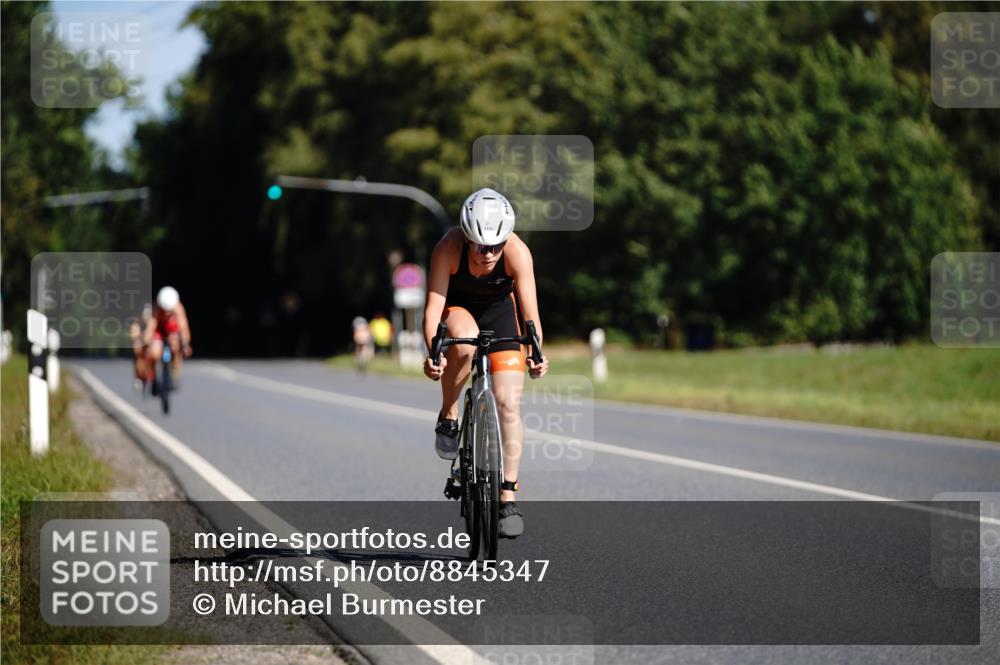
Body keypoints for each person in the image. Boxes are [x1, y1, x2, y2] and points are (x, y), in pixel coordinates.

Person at [422, 187, 549, 538]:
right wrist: (433, 353)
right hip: (459, 312)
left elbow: (530, 315)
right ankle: (449, 413)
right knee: (463, 342)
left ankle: (507, 496)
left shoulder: (518, 253)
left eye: (496, 245)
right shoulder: (447, 248)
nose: (489, 253)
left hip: (500, 315)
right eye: (481, 245)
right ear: (466, 237)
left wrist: (537, 353)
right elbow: (433, 308)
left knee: (509, 403)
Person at [144, 286, 192, 387]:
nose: (166, 313)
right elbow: (151, 326)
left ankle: (175, 373)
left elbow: (183, 327)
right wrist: (148, 342)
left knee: (176, 346)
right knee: (155, 352)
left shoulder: (178, 308)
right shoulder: (156, 309)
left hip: (171, 330)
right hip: (159, 331)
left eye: (169, 311)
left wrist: (185, 344)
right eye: (164, 310)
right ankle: (153, 377)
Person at [129, 302, 155, 391]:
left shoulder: (153, 321)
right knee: (137, 348)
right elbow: (133, 335)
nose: (147, 316)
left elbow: (150, 336)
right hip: (141, 343)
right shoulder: (137, 322)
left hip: (150, 343)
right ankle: (138, 376)